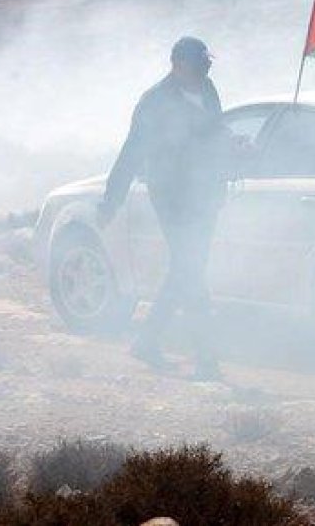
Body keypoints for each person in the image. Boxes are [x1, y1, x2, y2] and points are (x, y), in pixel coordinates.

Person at [96, 36, 230, 381]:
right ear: (179, 65)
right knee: (191, 269)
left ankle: (147, 340)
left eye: (208, 65)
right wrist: (111, 201)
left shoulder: (208, 90)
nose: (206, 70)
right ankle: (207, 359)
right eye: (200, 65)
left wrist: (235, 148)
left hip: (206, 195)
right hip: (172, 197)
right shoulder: (155, 102)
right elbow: (131, 153)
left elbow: (215, 133)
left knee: (186, 268)